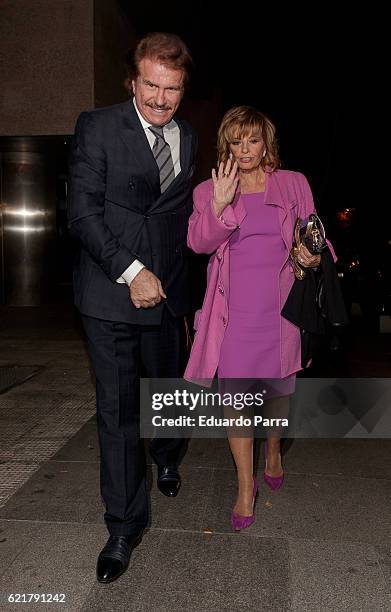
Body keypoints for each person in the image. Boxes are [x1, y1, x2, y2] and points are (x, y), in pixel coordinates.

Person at [68, 32, 197, 582]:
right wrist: (132, 271)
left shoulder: (188, 137)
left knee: (169, 386)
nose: (160, 100)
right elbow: (83, 215)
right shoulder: (97, 127)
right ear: (133, 80)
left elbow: (181, 218)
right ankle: (123, 526)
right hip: (111, 293)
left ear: (182, 89)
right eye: (151, 85)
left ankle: (167, 454)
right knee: (119, 412)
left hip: (169, 294)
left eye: (171, 89)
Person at [184, 106, 336, 530]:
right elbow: (198, 243)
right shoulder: (209, 190)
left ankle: (273, 448)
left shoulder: (292, 183)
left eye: (253, 140)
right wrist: (218, 203)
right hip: (233, 312)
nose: (245, 149)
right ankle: (244, 486)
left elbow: (316, 233)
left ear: (266, 143)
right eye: (236, 140)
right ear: (226, 145)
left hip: (281, 310)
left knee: (276, 393)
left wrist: (313, 251)